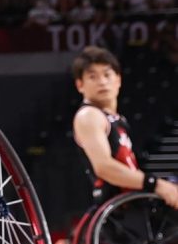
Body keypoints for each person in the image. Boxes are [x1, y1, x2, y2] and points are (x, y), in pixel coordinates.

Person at [71, 45, 178, 208]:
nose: (102, 82)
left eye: (107, 75)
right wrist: (156, 184)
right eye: (93, 77)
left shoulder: (116, 119)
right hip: (115, 213)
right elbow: (104, 167)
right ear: (80, 85)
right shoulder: (89, 115)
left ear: (118, 80)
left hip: (130, 205)